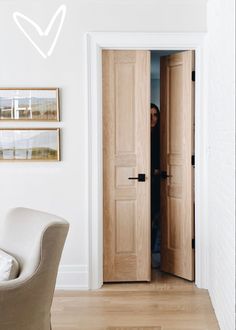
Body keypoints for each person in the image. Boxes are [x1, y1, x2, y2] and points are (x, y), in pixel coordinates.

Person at [150, 103, 161, 263]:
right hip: (145, 180)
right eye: (149, 115)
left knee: (157, 218)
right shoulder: (140, 135)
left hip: (159, 182)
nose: (152, 119)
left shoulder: (161, 135)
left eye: (155, 115)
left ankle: (154, 252)